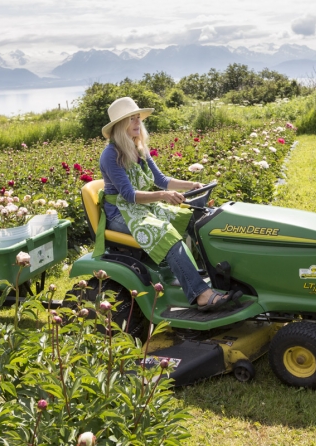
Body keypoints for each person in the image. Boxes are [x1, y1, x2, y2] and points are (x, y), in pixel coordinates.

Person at [96, 97, 230, 311]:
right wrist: (163, 196)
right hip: (121, 213)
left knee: (197, 218)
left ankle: (217, 275)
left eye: (138, 118)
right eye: (131, 119)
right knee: (164, 233)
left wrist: (191, 184)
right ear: (119, 126)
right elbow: (129, 195)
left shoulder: (138, 148)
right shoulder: (110, 155)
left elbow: (161, 180)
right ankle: (200, 294)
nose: (137, 123)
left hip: (143, 207)